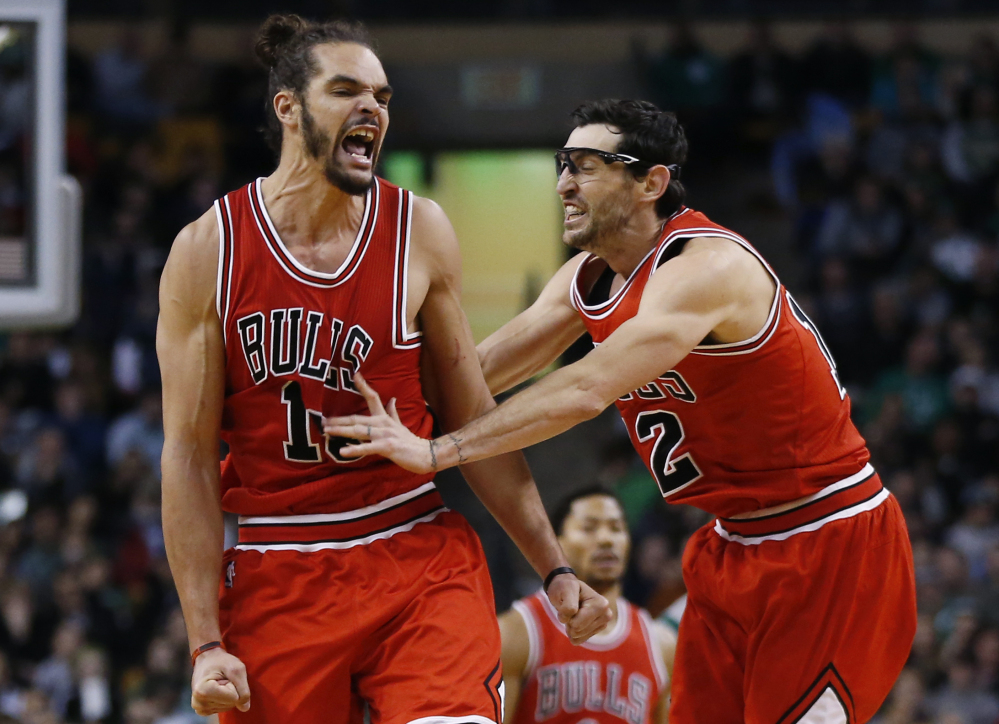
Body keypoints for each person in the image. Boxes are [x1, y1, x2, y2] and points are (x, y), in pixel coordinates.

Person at [325, 99, 918, 724]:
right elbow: (479, 369)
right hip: (729, 544)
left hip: (828, 540)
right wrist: (365, 406)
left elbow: (586, 389)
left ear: (650, 183)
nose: (563, 184)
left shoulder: (707, 268)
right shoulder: (588, 277)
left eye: (585, 166)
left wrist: (440, 451)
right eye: (562, 164)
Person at [156, 15, 609, 724]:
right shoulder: (208, 249)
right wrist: (204, 642)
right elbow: (186, 455)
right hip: (282, 563)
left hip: (412, 547)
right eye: (346, 91)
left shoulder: (419, 230)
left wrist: (553, 567)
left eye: (383, 97)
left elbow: (472, 416)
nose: (372, 108)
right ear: (287, 107)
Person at [500, 486, 675, 724]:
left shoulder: (661, 644)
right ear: (555, 542)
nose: (605, 539)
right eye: (589, 528)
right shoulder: (517, 632)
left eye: (616, 528)